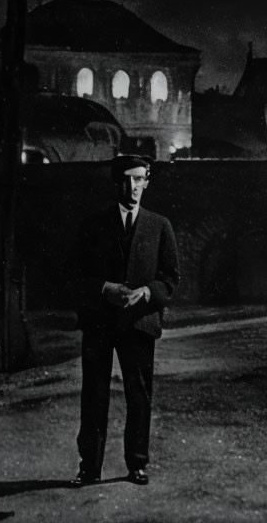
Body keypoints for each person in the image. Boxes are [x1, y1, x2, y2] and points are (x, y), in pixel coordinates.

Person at [69, 155, 178, 487]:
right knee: (95, 395)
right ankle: (90, 468)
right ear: (117, 182)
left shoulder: (160, 226)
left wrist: (145, 293)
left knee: (139, 395)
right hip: (100, 323)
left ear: (147, 181)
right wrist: (105, 288)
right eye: (127, 180)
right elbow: (73, 276)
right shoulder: (93, 225)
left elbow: (170, 279)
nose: (133, 187)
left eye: (140, 179)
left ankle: (137, 464)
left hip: (139, 323)